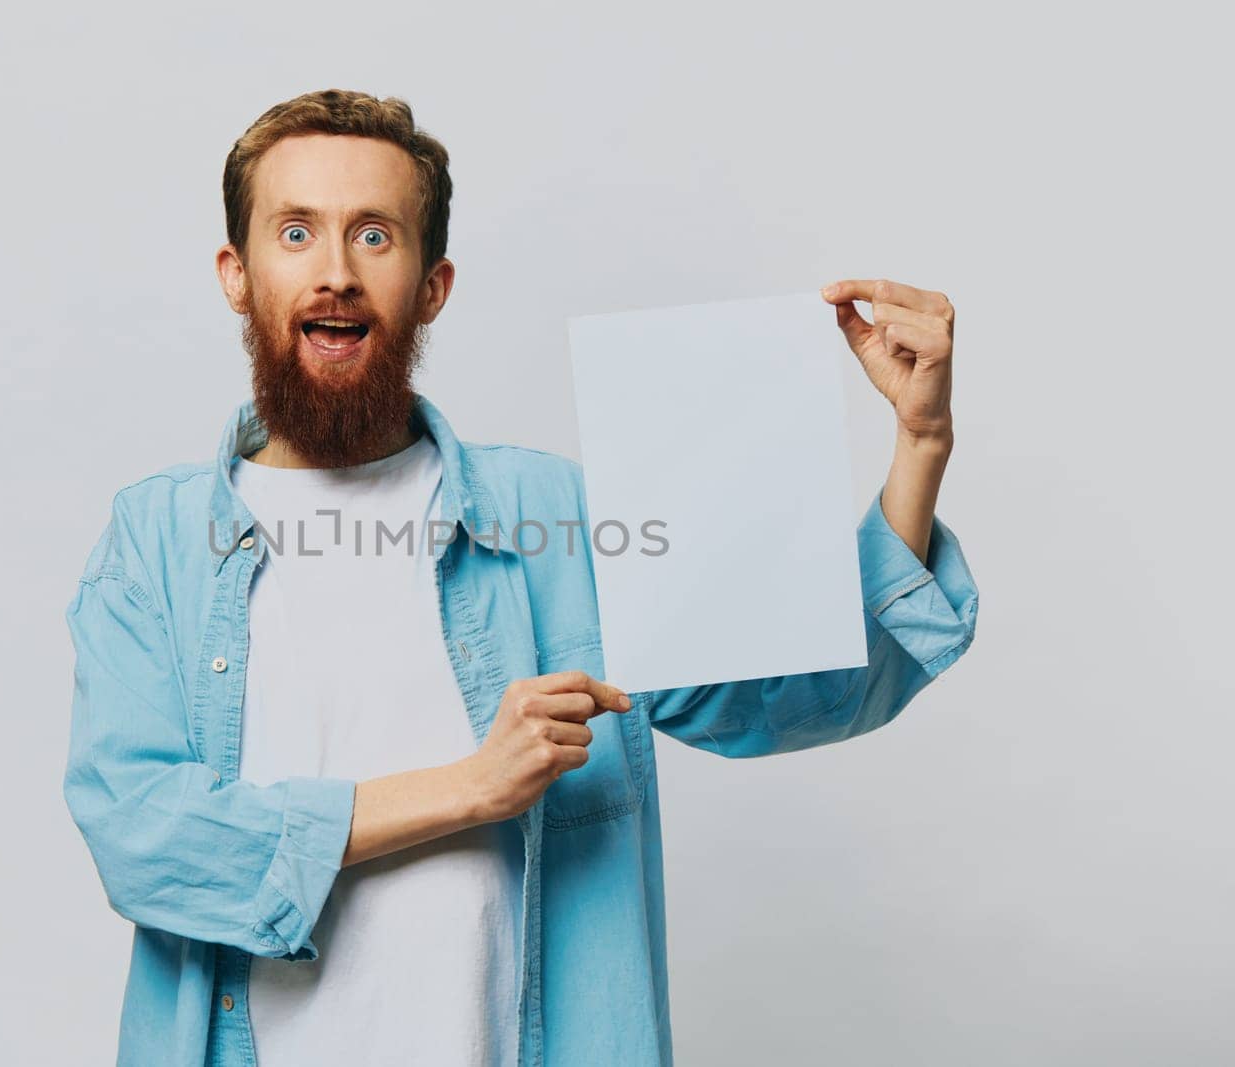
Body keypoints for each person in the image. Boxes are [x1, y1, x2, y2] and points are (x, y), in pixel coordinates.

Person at [63, 88, 978, 1067]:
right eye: (296, 232)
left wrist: (918, 445)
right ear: (236, 276)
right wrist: (470, 787)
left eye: (374, 235)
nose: (333, 272)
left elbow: (793, 693)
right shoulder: (155, 539)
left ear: (433, 285)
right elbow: (145, 837)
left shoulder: (563, 520)